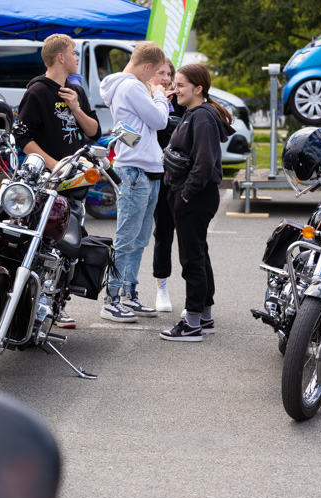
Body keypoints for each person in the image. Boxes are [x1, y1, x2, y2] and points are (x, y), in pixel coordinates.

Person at [14, 33, 102, 329]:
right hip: (47, 183)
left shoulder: (76, 89)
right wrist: (56, 166)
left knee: (70, 245)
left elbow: (94, 132)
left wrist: (76, 107)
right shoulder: (38, 92)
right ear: (60, 57)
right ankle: (33, 304)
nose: (77, 58)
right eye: (74, 53)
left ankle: (55, 302)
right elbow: (22, 137)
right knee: (43, 244)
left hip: (75, 184)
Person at [160, 63, 236, 342]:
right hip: (193, 195)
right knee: (199, 254)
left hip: (194, 196)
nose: (174, 89)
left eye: (180, 85)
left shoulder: (201, 117)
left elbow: (203, 165)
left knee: (191, 258)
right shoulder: (195, 114)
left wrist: (185, 195)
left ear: (198, 88)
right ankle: (204, 316)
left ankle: (191, 324)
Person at [97, 41, 168, 323]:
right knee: (127, 238)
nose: (156, 80)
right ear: (147, 66)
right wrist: (160, 96)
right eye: (156, 73)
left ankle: (128, 293)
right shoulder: (132, 86)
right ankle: (112, 298)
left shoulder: (123, 87)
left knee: (138, 238)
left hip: (144, 167)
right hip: (135, 170)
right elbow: (159, 121)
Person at [151, 58, 187, 313]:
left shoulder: (181, 102)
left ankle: (193, 294)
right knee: (162, 234)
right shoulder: (147, 100)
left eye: (168, 73)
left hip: (184, 179)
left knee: (189, 238)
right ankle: (161, 287)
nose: (165, 78)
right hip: (158, 178)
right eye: (159, 73)